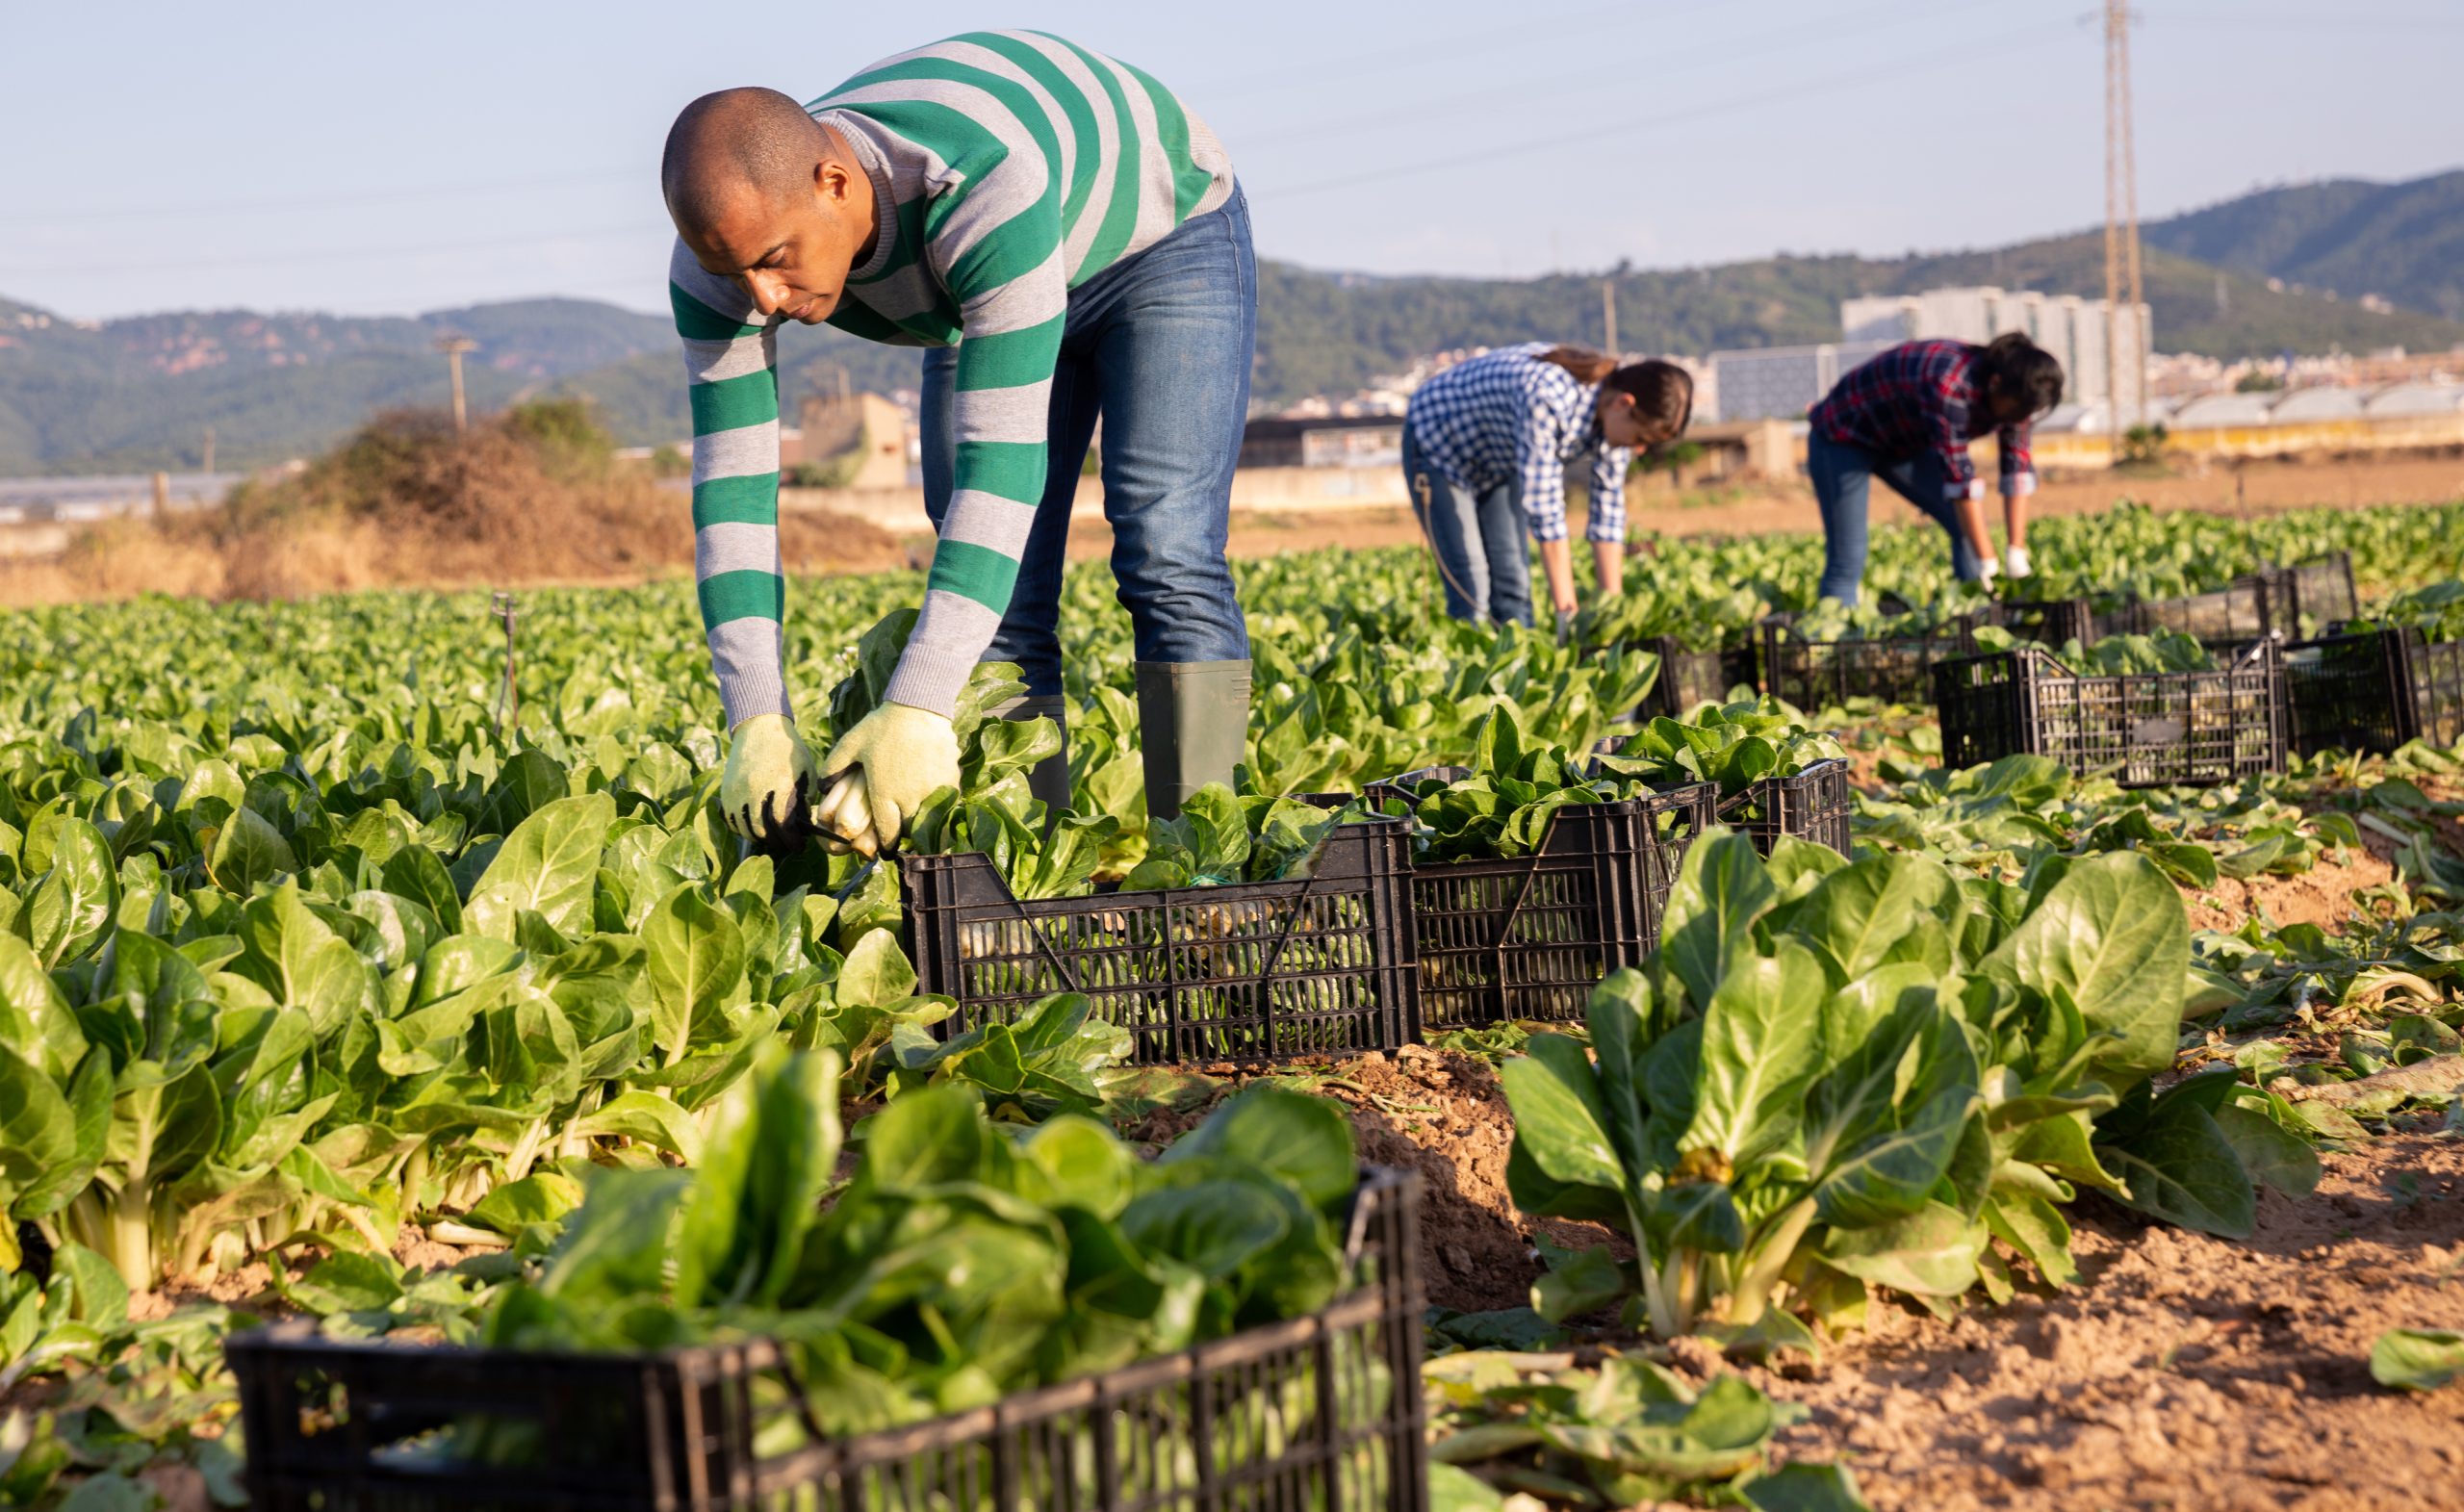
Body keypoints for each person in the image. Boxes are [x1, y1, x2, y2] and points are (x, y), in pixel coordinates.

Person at [660, 32, 1255, 857]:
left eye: (774, 260)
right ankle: (1030, 869)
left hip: (1157, 240)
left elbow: (999, 473)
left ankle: (1206, 865)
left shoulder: (973, 186)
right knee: (998, 604)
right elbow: (732, 488)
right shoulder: (720, 261)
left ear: (835, 184)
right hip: (984, 279)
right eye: (735, 274)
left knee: (1167, 548)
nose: (760, 295)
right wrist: (756, 714)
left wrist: (919, 703)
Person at [1401, 345, 1693, 637]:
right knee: (1472, 581)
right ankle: (1467, 664)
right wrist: (1568, 618)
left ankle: (1517, 669)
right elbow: (1546, 514)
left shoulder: (1613, 427)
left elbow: (1608, 518)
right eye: (1641, 437)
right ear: (1623, 404)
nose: (1639, 449)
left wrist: (1610, 614)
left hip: (1497, 461)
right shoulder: (1547, 396)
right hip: (1438, 445)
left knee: (1512, 580)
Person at [1805, 331, 2064, 603]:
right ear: (1995, 383)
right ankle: (1833, 637)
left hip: (1901, 443)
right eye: (2019, 409)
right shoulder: (1950, 384)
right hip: (1842, 436)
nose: (2022, 418)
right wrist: (1988, 563)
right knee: (1849, 555)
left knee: (1965, 528)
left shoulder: (2019, 398)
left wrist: (2016, 553)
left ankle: (1977, 620)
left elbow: (2017, 471)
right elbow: (1960, 480)